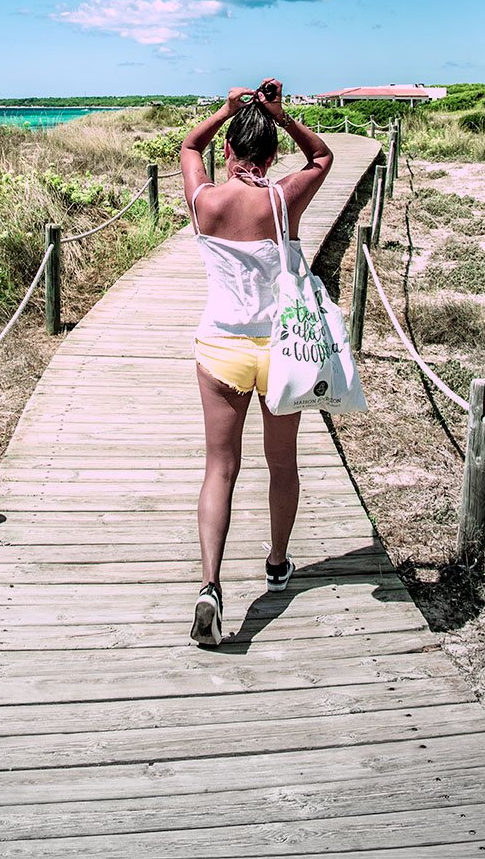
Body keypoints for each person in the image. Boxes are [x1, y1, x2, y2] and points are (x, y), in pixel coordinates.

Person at [180, 79, 333, 646]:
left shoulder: (206, 202)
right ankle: (276, 563)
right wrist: (281, 113)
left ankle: (210, 587)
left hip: (220, 347)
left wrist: (225, 109)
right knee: (281, 465)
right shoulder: (283, 197)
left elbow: (189, 149)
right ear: (271, 157)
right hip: (280, 351)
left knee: (220, 468)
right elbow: (322, 156)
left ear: (229, 152)